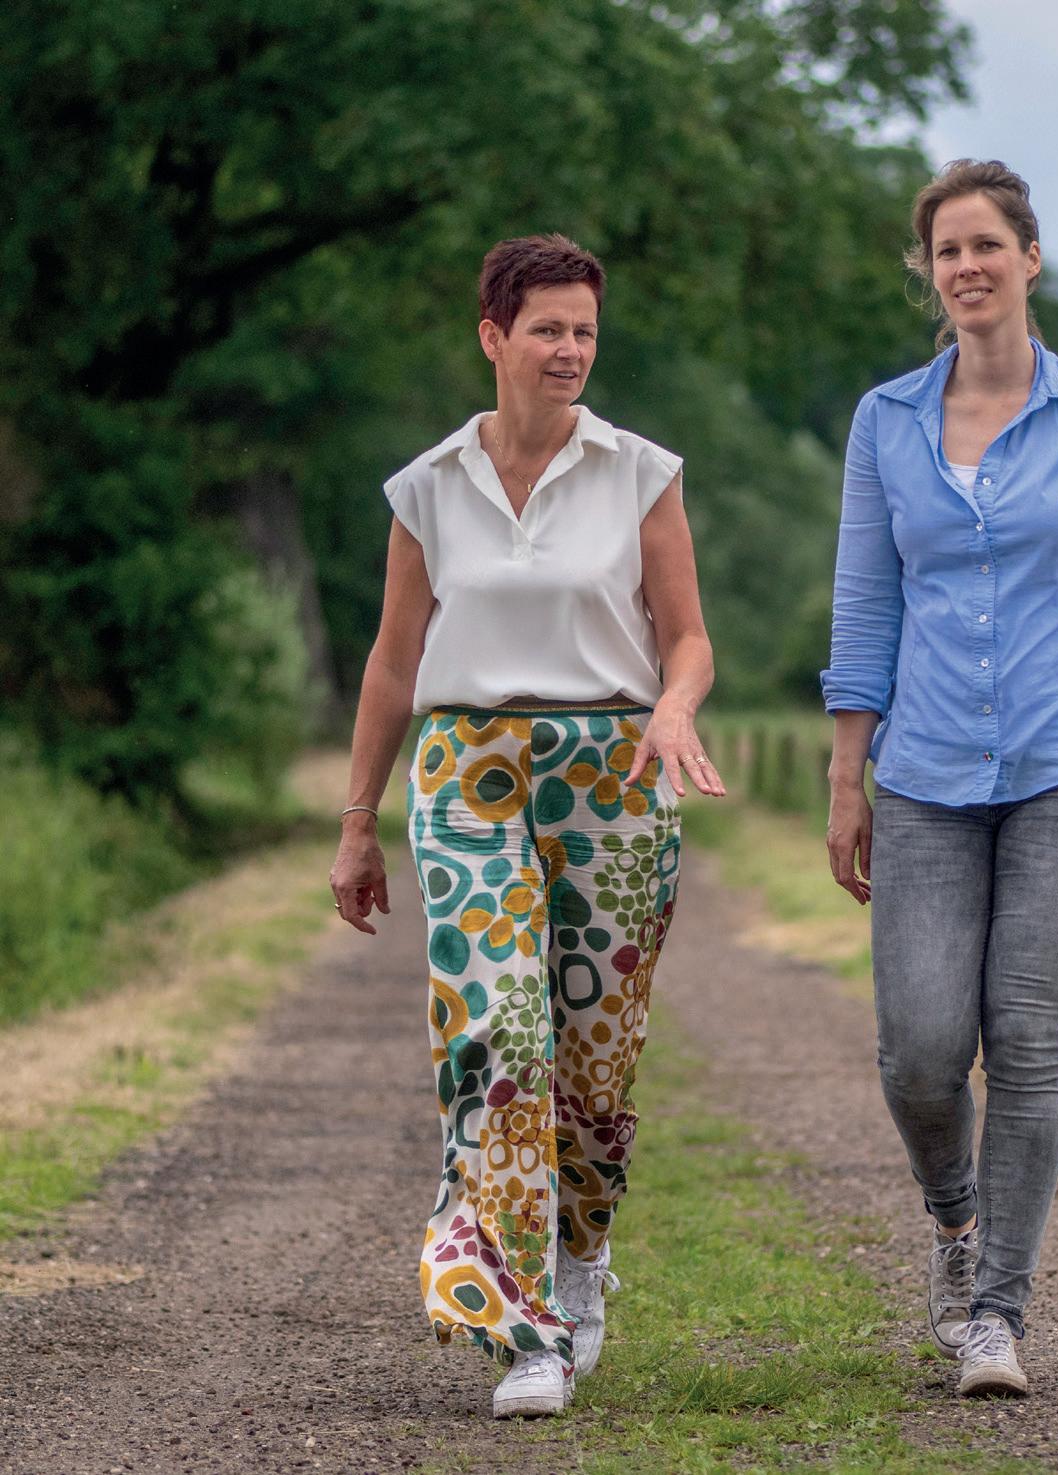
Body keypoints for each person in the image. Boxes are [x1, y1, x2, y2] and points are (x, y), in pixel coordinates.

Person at [329, 233, 724, 1419]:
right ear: (492, 336)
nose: (569, 349)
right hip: (468, 773)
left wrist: (672, 706)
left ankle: (582, 1249)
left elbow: (686, 634)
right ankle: (525, 1326)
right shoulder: (427, 487)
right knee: (497, 1037)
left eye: (584, 330)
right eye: (547, 327)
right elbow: (392, 662)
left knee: (595, 1065)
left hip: (614, 770)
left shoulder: (639, 472)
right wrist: (357, 819)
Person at [821, 160, 1058, 1399]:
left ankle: (995, 1313)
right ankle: (954, 1218)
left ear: (1029, 257)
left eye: (986, 244)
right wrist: (846, 778)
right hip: (922, 771)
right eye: (945, 250)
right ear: (927, 272)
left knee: (1024, 1039)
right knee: (920, 1050)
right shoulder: (885, 420)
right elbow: (864, 607)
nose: (966, 266)